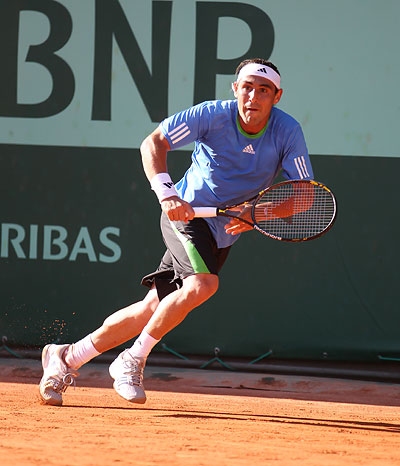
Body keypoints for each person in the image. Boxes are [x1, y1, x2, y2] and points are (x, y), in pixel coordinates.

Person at [39, 58, 314, 406]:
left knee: (151, 308)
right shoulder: (212, 115)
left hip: (224, 230)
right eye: (247, 88)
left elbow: (305, 195)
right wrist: (167, 194)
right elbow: (154, 143)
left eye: (263, 90)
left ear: (277, 96)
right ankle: (132, 359)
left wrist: (257, 213)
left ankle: (66, 357)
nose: (253, 97)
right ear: (235, 89)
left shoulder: (287, 131)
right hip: (186, 214)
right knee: (203, 285)